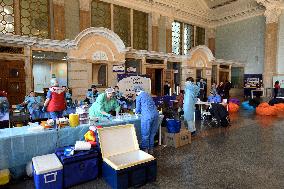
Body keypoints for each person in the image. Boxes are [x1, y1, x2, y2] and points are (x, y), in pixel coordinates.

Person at [134, 86, 159, 154]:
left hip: (147, 116)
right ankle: (151, 149)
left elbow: (137, 109)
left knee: (145, 134)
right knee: (152, 133)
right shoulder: (148, 95)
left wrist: (135, 112)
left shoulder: (139, 97)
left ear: (136, 92)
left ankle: (145, 150)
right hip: (156, 115)